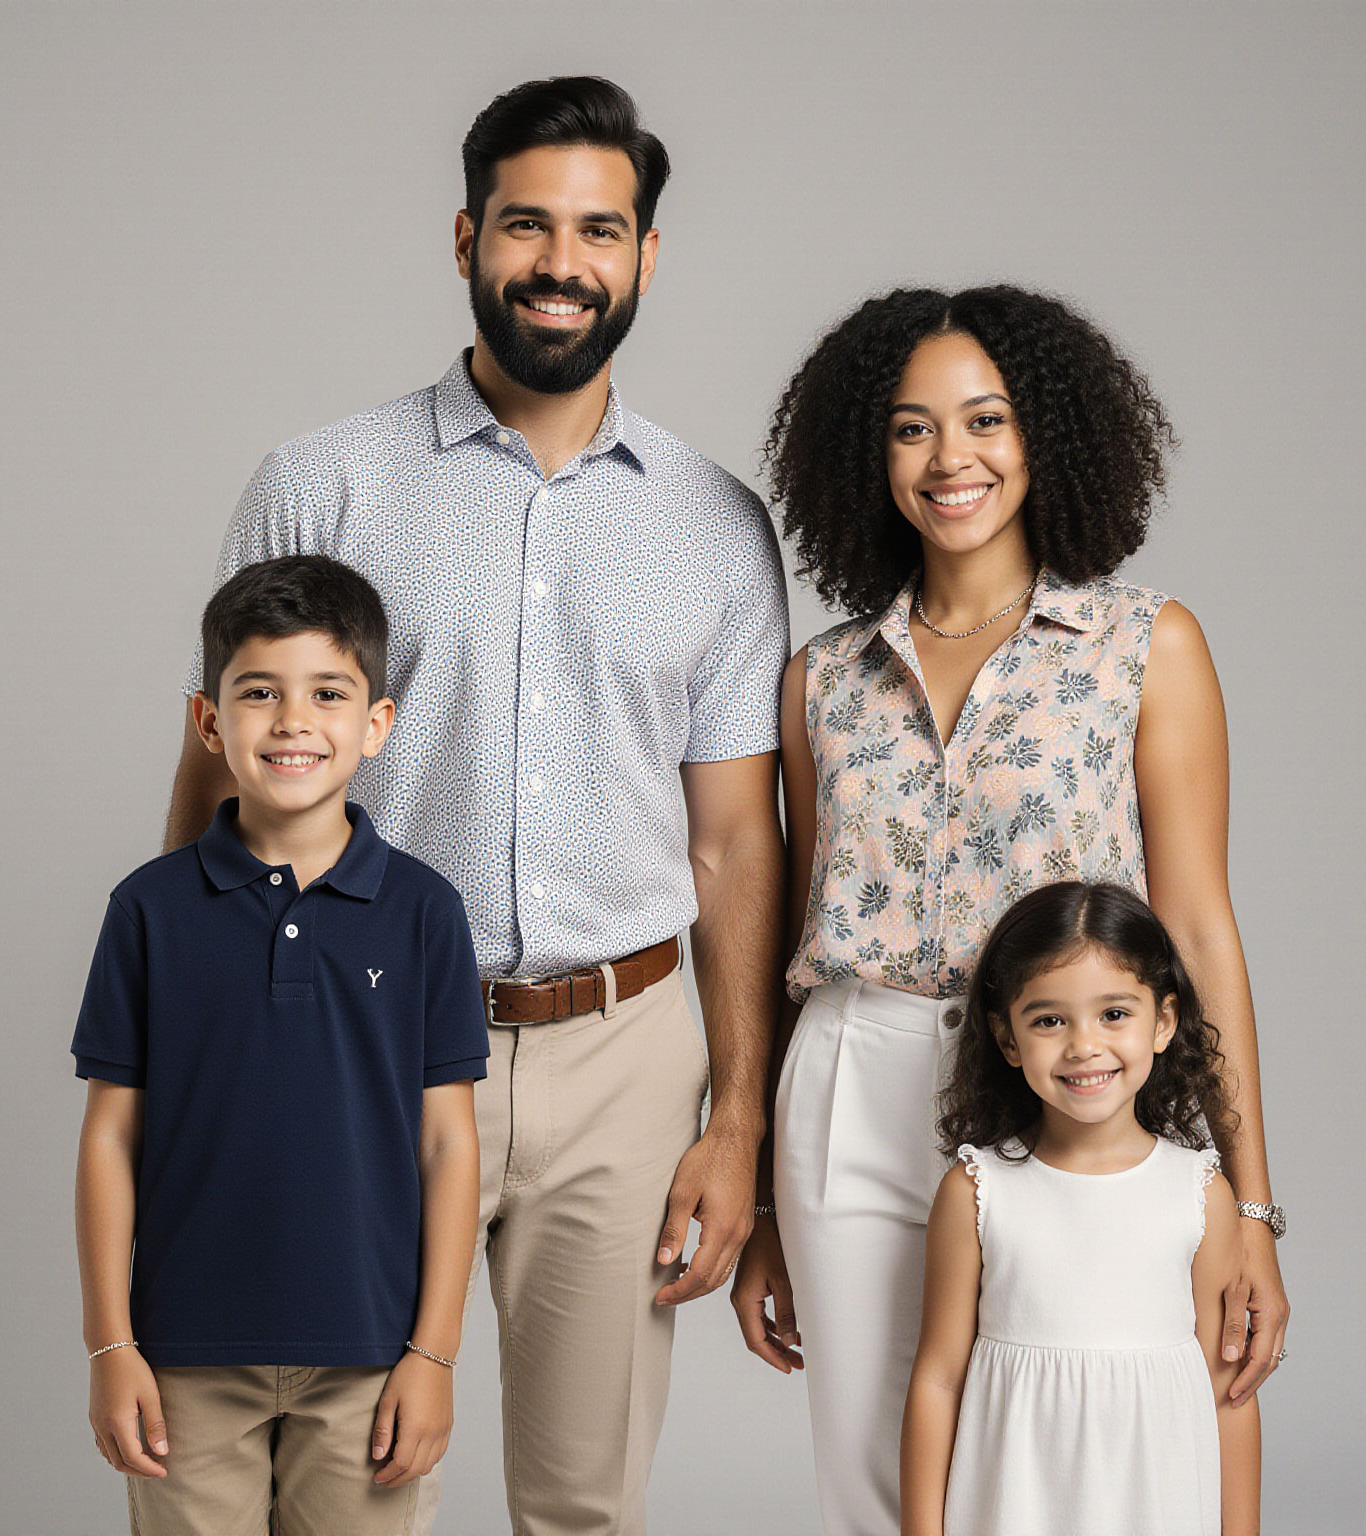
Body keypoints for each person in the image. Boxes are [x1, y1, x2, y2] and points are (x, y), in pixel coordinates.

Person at [163, 77, 788, 1536]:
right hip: (362, 1044)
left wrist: (738, 1118)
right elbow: (217, 786)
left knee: (586, 1506)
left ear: (645, 256)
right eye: (525, 225)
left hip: (627, 1061)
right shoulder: (321, 484)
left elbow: (732, 844)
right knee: (353, 1490)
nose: (561, 262)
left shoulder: (716, 523)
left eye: (599, 230)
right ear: (465, 239)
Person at [731, 285, 1288, 1535]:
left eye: (986, 420)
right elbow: (793, 950)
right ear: (868, 456)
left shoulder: (1145, 647)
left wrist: (1250, 1207)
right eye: (911, 428)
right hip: (854, 1089)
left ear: (1046, 435)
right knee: (876, 1476)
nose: (952, 458)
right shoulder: (821, 680)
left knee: (1067, 1452)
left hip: (1069, 1088)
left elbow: (1200, 933)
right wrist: (765, 1201)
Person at [73, 554, 488, 1534]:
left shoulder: (426, 912)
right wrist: (110, 1346)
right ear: (209, 722)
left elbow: (449, 1144)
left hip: (371, 1358)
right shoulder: (148, 910)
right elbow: (109, 1139)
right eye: (259, 692)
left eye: (328, 693)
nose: (294, 720)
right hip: (183, 1357)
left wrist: (434, 1355)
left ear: (376, 725)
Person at [901, 880, 1260, 1536]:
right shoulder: (977, 1192)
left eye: (1113, 1014)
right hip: (1017, 1505)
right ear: (1007, 1039)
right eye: (1049, 1020)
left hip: (1155, 1505)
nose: (1083, 1046)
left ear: (1164, 1022)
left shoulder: (1201, 1193)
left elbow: (1228, 1392)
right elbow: (937, 1382)